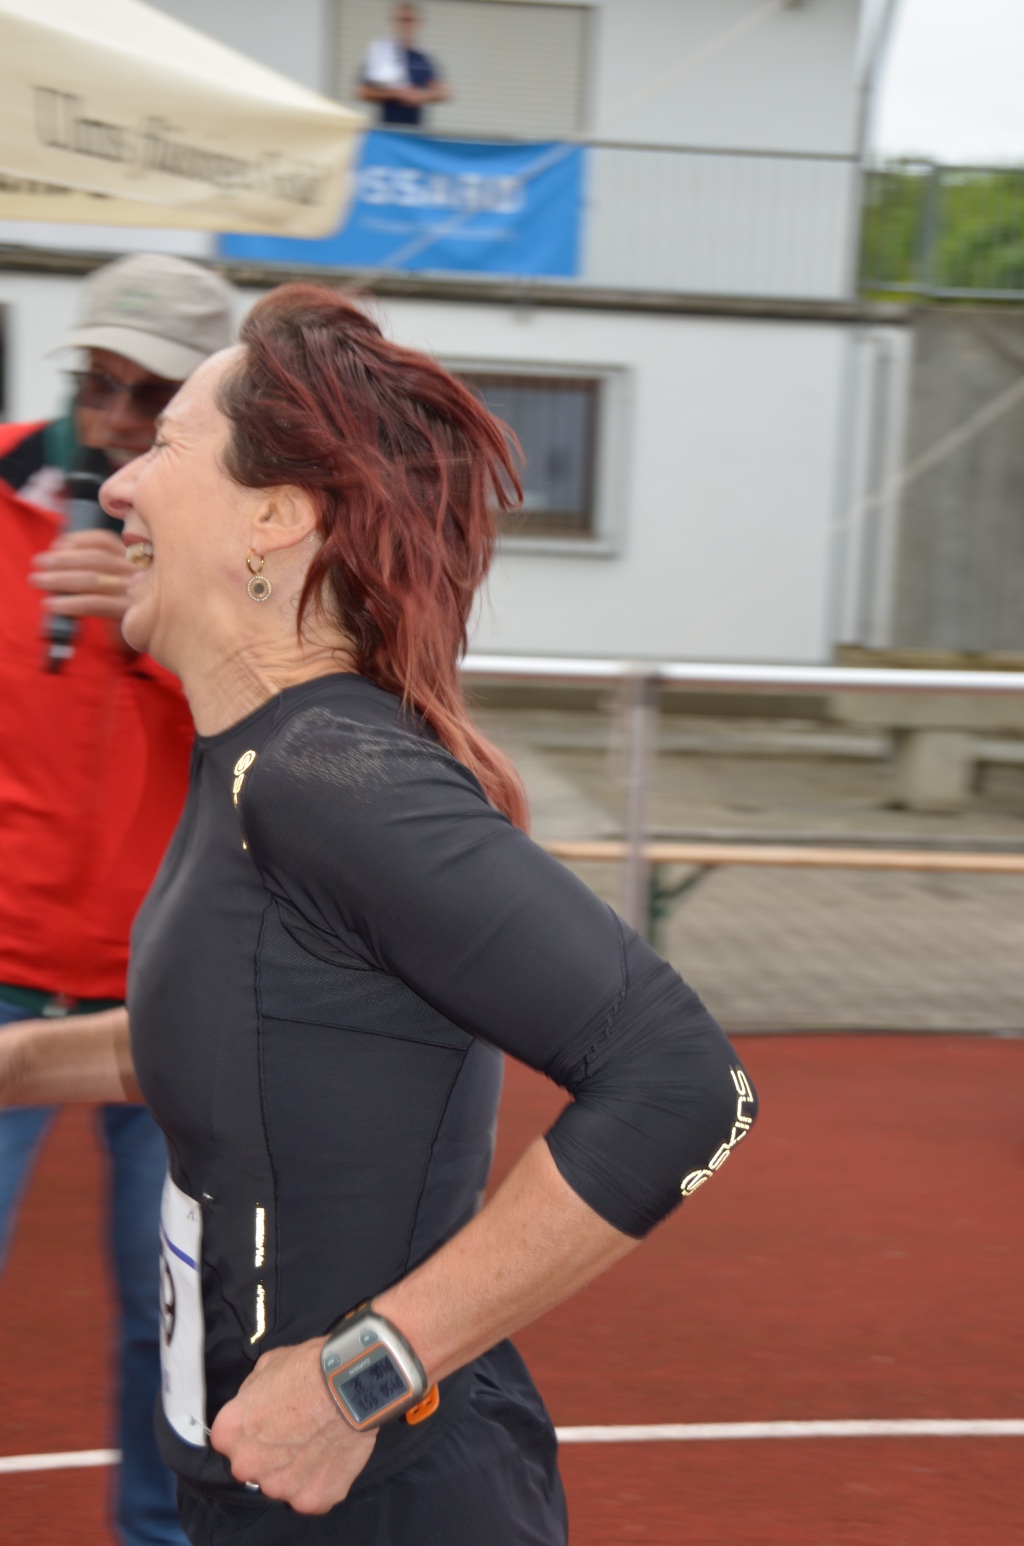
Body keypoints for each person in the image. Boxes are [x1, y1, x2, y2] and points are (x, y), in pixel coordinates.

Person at [0, 283, 758, 1544]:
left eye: (167, 445)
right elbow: (261, 1030)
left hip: (382, 1497)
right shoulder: (256, 757)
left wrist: (359, 1377)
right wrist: (21, 1065)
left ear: (276, 515)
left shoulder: (332, 778)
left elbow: (685, 1081)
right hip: (265, 1489)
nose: (117, 483)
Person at [0, 252, 235, 1546]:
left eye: (151, 396)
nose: (113, 418)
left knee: (174, 1318)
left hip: (166, 984)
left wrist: (155, 626)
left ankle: (161, 1535)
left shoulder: (251, 531)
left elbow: (281, 718)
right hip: (3, 962)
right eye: (98, 381)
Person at [357, 3, 450, 127]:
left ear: (418, 23)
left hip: (415, 131)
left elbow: (443, 93)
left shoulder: (423, 58)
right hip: (387, 130)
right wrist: (396, 94)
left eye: (409, 20)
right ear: (394, 22)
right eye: (402, 20)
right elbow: (362, 92)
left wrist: (421, 96)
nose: (405, 25)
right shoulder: (381, 55)